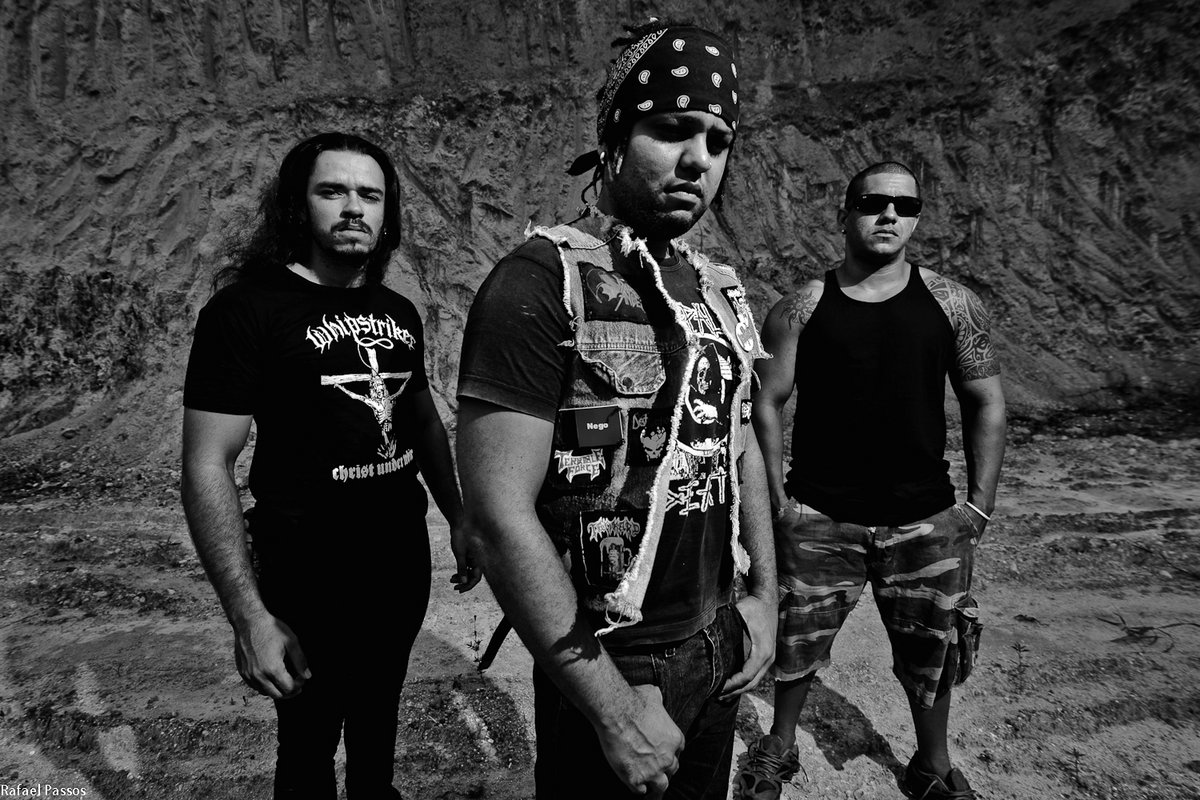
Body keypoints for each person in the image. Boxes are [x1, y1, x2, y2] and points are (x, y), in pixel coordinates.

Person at [455, 20, 777, 799]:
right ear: (614, 137)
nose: (698, 159)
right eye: (671, 130)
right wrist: (610, 708)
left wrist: (766, 598)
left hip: (717, 639)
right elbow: (497, 515)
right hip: (612, 659)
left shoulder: (719, 290)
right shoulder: (540, 282)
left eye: (718, 141)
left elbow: (738, 446)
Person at [180, 131, 479, 799]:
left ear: (387, 213)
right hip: (306, 565)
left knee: (378, 718)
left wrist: (459, 517)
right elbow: (206, 464)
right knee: (308, 741)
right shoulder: (245, 310)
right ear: (298, 205)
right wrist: (248, 616)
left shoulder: (397, 311)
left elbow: (421, 419)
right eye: (333, 191)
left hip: (398, 559)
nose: (353, 208)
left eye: (370, 195)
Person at [738, 161, 1006, 800]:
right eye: (873, 202)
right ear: (846, 213)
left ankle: (932, 766)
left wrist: (979, 507)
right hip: (821, 514)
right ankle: (779, 746)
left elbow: (986, 401)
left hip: (926, 518)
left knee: (934, 651)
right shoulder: (801, 308)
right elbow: (765, 401)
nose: (889, 215)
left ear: (917, 218)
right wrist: (779, 500)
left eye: (905, 206)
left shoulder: (952, 304)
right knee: (796, 643)